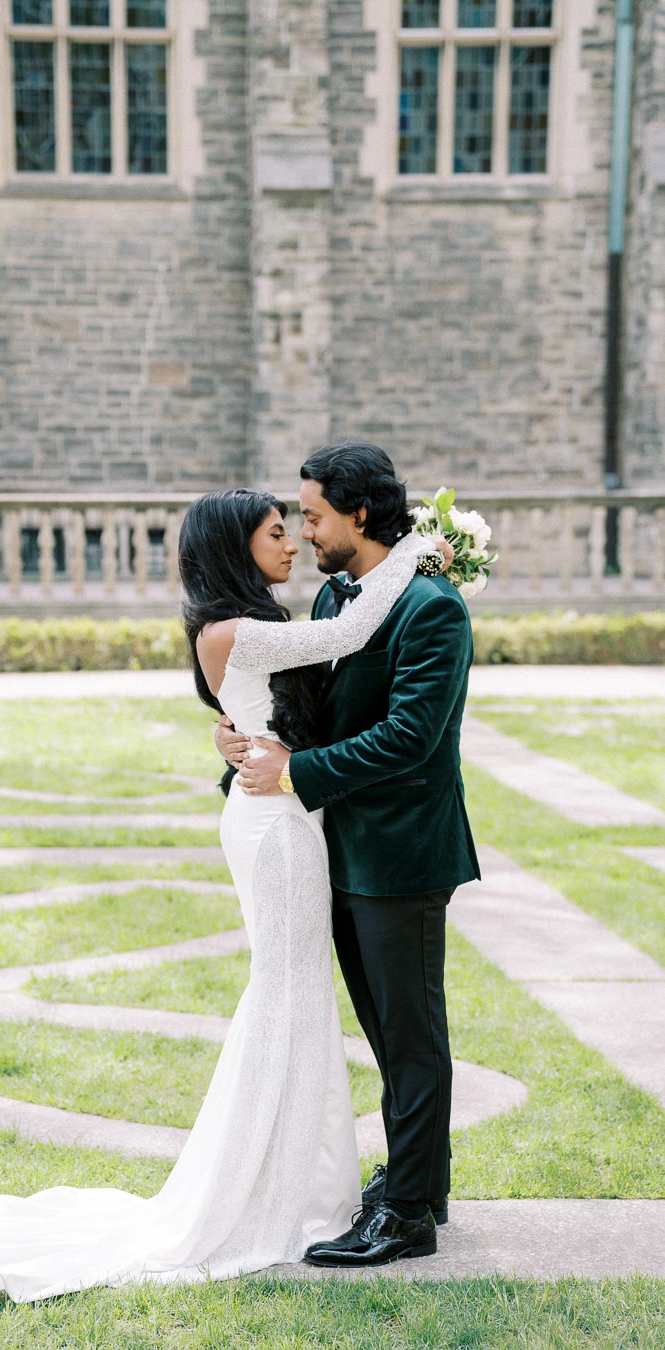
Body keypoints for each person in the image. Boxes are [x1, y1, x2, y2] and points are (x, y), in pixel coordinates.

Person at [0, 488, 429, 1314]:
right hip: (275, 827)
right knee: (287, 996)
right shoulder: (234, 629)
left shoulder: (241, 625)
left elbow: (294, 689)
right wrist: (428, 545)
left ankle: (297, 1182)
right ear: (235, 546)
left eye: (295, 528)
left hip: (276, 811)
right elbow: (346, 634)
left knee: (292, 996)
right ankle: (273, 1192)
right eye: (274, 532)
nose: (291, 542)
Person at [218, 442, 480, 1268]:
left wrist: (296, 771)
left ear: (360, 516)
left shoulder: (433, 608)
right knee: (381, 1028)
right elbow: (318, 703)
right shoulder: (339, 595)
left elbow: (410, 736)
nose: (304, 530)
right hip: (334, 846)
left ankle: (405, 1213)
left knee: (409, 1035)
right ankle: (419, 1184)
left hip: (402, 853)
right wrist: (252, 741)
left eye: (315, 515)